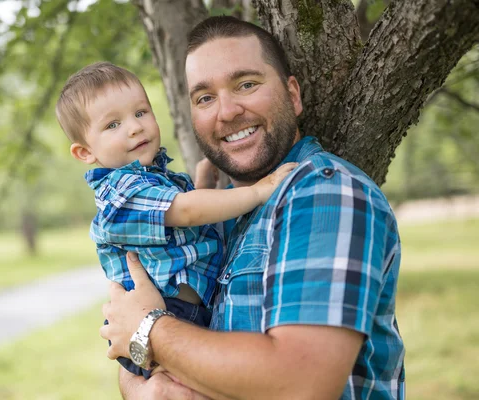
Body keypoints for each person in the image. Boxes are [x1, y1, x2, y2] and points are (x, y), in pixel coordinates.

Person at [101, 16, 406, 400]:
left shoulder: (324, 192)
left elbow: (301, 383)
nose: (226, 112)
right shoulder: (223, 216)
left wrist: (148, 330)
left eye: (246, 84)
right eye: (205, 98)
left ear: (293, 95)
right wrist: (145, 387)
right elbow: (129, 342)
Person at [55, 61, 297, 379]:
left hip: (182, 313)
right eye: (112, 125)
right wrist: (258, 192)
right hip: (168, 315)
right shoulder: (121, 190)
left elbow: (185, 223)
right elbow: (186, 211)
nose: (134, 127)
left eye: (140, 112)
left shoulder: (156, 179)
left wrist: (204, 189)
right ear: (85, 152)